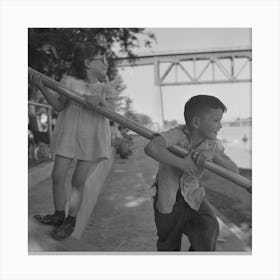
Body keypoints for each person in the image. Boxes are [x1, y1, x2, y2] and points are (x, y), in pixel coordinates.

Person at [31, 42, 116, 240]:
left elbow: (113, 112)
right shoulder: (68, 81)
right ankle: (58, 214)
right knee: (57, 175)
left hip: (93, 138)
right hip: (69, 134)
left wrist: (101, 102)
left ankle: (71, 220)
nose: (106, 63)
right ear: (87, 63)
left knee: (78, 180)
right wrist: (42, 87)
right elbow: (59, 106)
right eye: (101, 59)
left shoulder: (105, 87)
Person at [144, 95, 238, 251]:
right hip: (168, 200)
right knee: (168, 242)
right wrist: (183, 164)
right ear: (196, 122)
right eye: (216, 121)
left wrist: (214, 156)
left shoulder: (213, 145)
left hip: (193, 196)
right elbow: (152, 147)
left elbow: (234, 171)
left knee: (209, 229)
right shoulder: (177, 134)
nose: (220, 126)